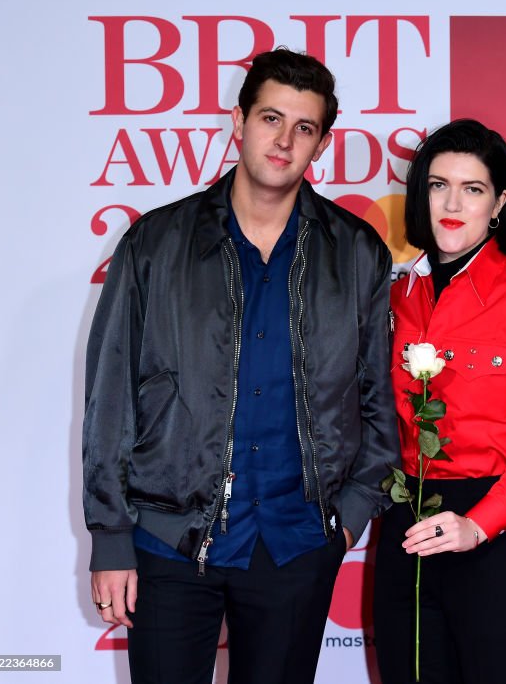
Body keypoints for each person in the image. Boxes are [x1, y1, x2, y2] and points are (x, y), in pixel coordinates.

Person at [82, 48, 399, 684]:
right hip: (170, 544)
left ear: (321, 143)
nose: (283, 141)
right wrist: (111, 536)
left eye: (303, 128)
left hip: (297, 543)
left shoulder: (356, 251)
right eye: (270, 119)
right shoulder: (156, 243)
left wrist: (351, 515)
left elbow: (375, 395)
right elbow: (110, 395)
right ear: (239, 120)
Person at [373, 119, 506, 684]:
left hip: (497, 537)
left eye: (473, 189)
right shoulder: (395, 297)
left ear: (499, 203)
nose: (452, 203)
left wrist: (478, 525)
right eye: (439, 185)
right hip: (406, 524)